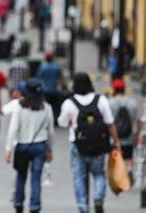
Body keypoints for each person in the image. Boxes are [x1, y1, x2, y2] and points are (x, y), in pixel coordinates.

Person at [57, 73, 121, 213]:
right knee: (99, 174)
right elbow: (110, 123)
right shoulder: (101, 100)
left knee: (79, 177)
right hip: (99, 145)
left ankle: (83, 207)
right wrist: (116, 142)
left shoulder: (69, 103)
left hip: (77, 145)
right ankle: (98, 198)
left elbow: (61, 123)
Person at [5, 78, 55, 213]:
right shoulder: (47, 108)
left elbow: (13, 129)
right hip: (40, 146)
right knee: (36, 178)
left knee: (21, 176)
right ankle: (35, 206)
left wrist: (8, 149)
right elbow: (50, 131)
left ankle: (19, 203)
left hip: (22, 146)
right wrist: (49, 148)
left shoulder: (20, 108)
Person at [108, 79, 143, 181]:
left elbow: (108, 121)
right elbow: (137, 120)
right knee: (128, 156)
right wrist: (137, 134)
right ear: (124, 89)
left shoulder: (110, 103)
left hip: (114, 136)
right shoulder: (132, 102)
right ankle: (129, 171)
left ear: (114, 89)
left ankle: (117, 176)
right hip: (129, 134)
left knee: (116, 155)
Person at [36, 52, 62, 125]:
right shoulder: (56, 67)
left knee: (46, 106)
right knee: (54, 106)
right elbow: (60, 77)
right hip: (54, 89)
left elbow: (39, 76)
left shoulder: (43, 67)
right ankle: (54, 119)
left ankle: (46, 120)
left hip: (45, 90)